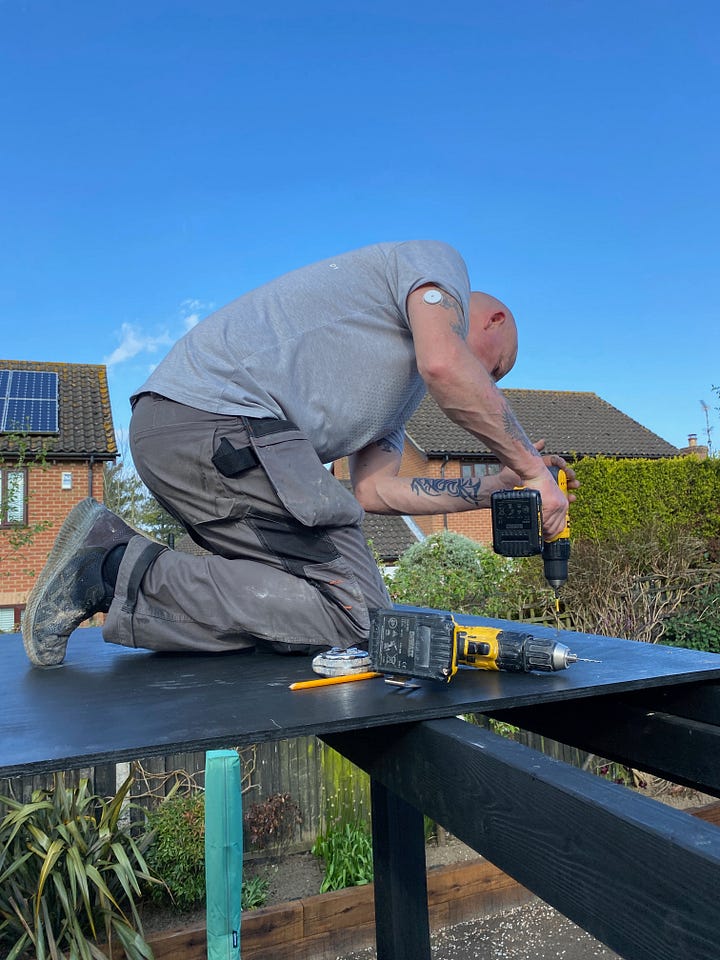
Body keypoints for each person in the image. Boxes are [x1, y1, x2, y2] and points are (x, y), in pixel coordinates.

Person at [23, 240, 576, 667]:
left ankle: (110, 572)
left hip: (200, 437)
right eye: (496, 369)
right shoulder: (439, 266)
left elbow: (375, 489)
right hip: (217, 420)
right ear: (494, 321)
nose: (488, 381)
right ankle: (110, 567)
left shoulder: (392, 395)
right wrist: (532, 466)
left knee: (345, 613)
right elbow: (447, 366)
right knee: (360, 613)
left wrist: (495, 486)